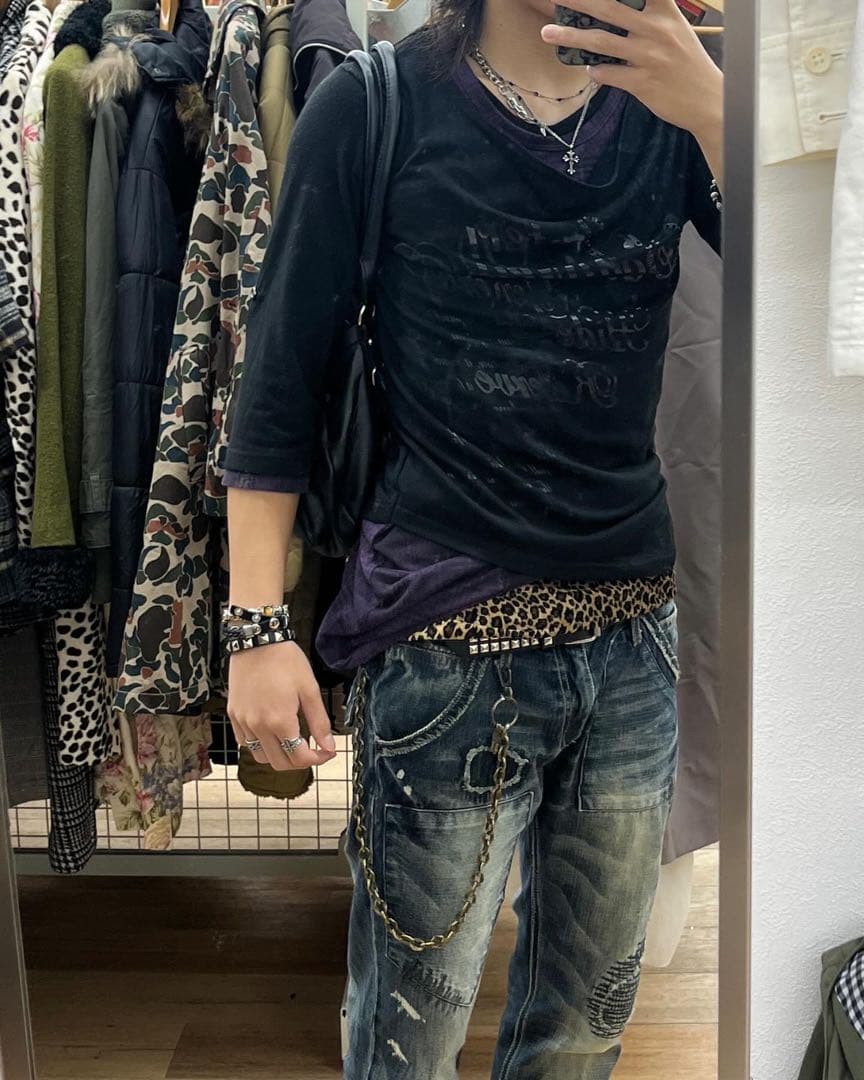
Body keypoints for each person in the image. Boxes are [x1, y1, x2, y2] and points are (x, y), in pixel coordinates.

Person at [223, 0, 723, 1076]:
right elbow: (278, 378)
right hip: (443, 649)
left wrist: (719, 116)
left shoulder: (677, 104)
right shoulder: (375, 104)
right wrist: (256, 626)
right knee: (406, 1045)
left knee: (582, 1037)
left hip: (632, 642)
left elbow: (817, 303)